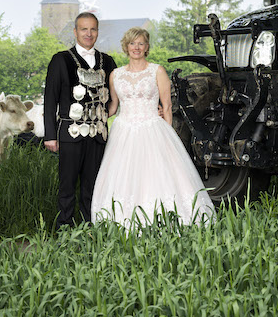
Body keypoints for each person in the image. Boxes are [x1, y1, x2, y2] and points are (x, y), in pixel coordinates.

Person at [91, 27, 215, 228]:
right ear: (126, 46)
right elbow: (113, 106)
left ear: (147, 46)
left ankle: (164, 219)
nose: (136, 48)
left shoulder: (157, 71)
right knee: (123, 175)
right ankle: (121, 221)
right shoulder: (115, 74)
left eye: (141, 43)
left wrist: (167, 137)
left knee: (156, 174)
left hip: (152, 128)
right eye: (132, 43)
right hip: (124, 131)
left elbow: (166, 107)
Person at [44, 12, 117, 227]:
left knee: (93, 185)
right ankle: (65, 229)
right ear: (75, 32)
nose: (89, 33)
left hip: (98, 134)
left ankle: (89, 227)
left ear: (97, 32)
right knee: (67, 186)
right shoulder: (60, 59)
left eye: (93, 29)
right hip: (69, 133)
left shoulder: (108, 61)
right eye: (84, 29)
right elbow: (50, 99)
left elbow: (117, 94)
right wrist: (50, 135)